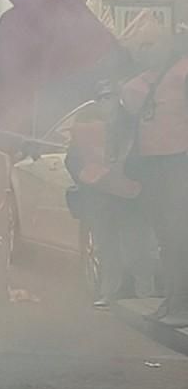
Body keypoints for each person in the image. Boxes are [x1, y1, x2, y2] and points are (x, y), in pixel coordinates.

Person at [66, 80, 156, 308]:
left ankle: (147, 294)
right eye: (102, 98)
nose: (107, 102)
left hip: (129, 197)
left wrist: (132, 178)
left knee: (138, 247)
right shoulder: (86, 124)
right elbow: (72, 159)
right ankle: (110, 294)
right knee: (106, 248)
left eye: (110, 96)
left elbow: (145, 157)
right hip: (99, 198)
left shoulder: (133, 124)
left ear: (119, 97)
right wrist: (84, 174)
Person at [121, 34, 188, 327]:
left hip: (177, 162)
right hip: (159, 165)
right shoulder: (145, 82)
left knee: (176, 236)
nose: (147, 49)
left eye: (153, 43)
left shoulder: (180, 74)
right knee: (167, 237)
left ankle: (181, 303)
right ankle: (173, 299)